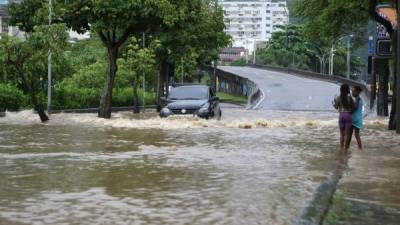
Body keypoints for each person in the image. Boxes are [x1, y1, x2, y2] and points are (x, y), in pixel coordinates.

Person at [333, 84, 355, 151]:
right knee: (347, 134)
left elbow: (336, 107)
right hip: (348, 115)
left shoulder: (338, 97)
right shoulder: (349, 98)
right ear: (348, 90)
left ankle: (341, 148)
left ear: (341, 90)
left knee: (342, 134)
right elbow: (353, 107)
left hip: (341, 116)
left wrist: (333, 103)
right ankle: (346, 149)